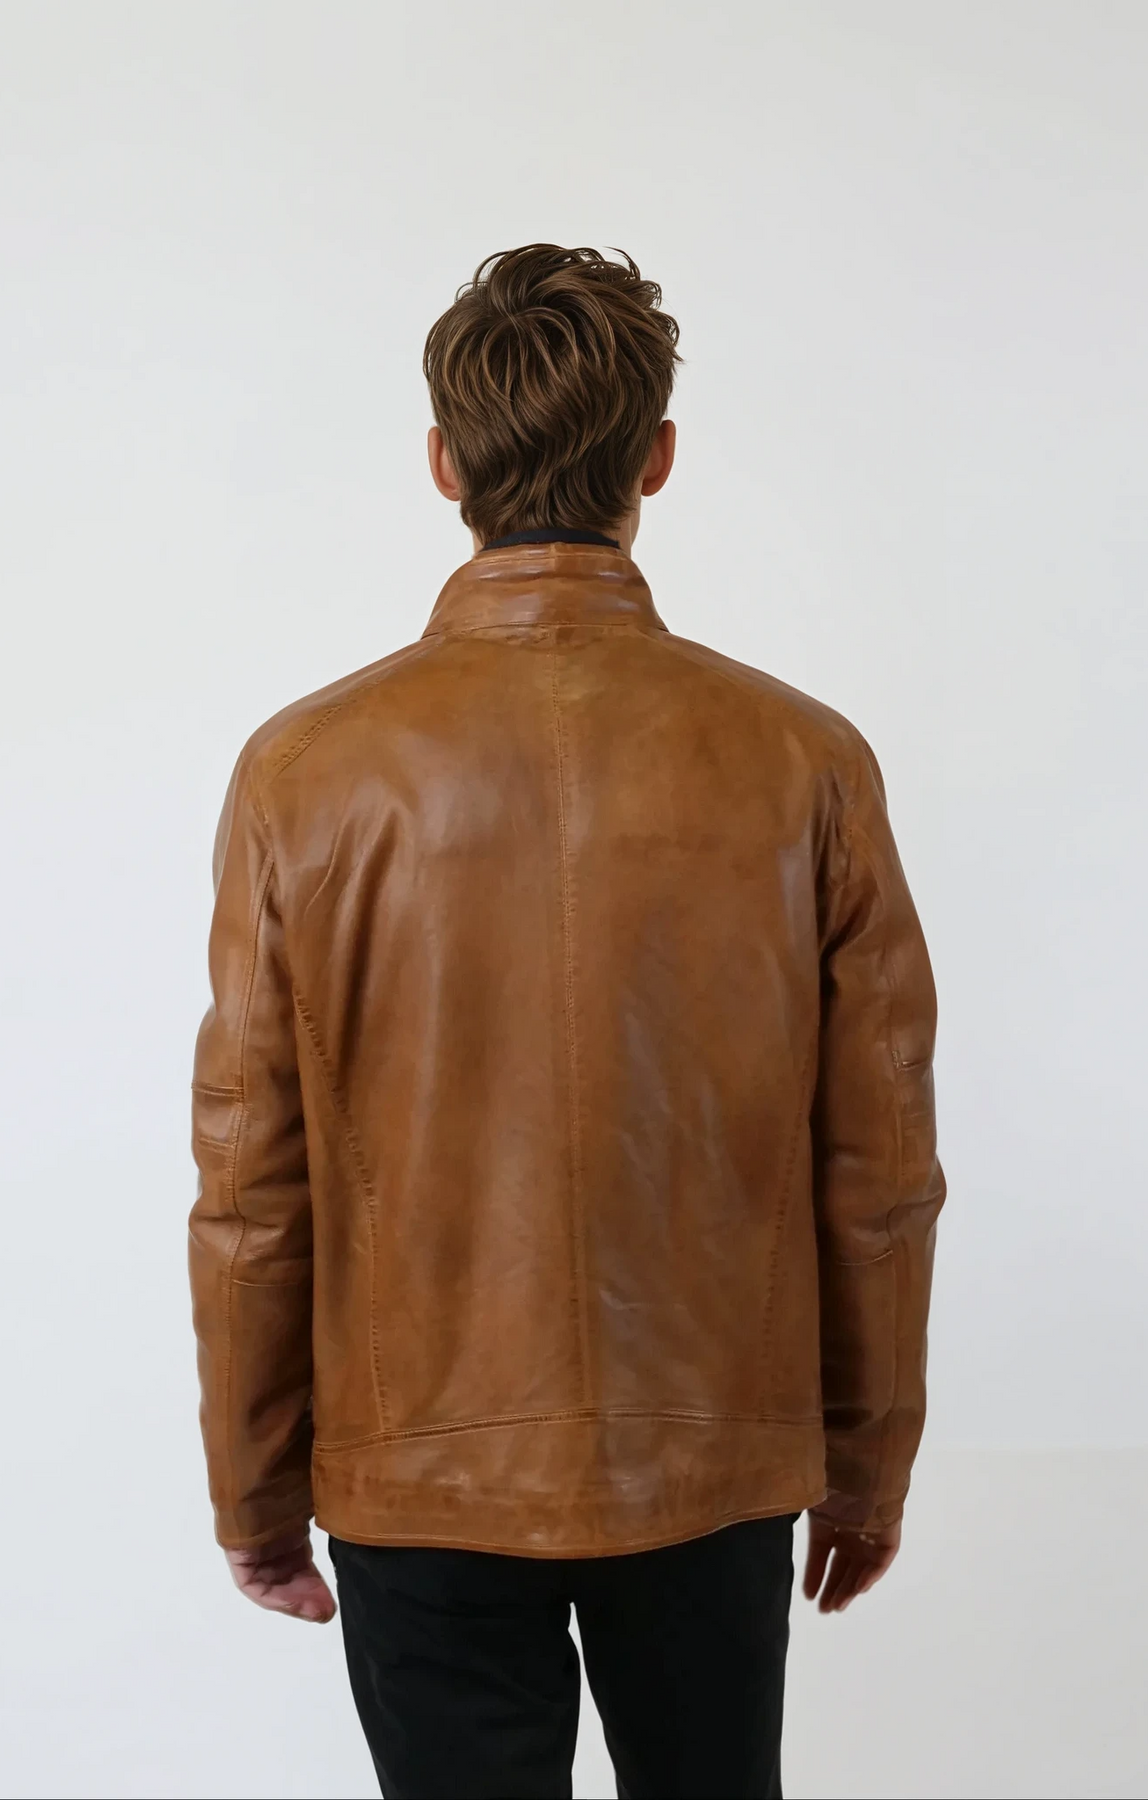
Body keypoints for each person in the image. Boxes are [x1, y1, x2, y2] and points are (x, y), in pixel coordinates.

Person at [188, 243, 946, 1800]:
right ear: (655, 458)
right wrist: (862, 1467)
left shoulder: (304, 771)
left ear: (443, 463)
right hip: (712, 1463)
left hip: (418, 1474)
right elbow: (878, 1173)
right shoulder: (802, 760)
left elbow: (250, 1184)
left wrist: (252, 1490)